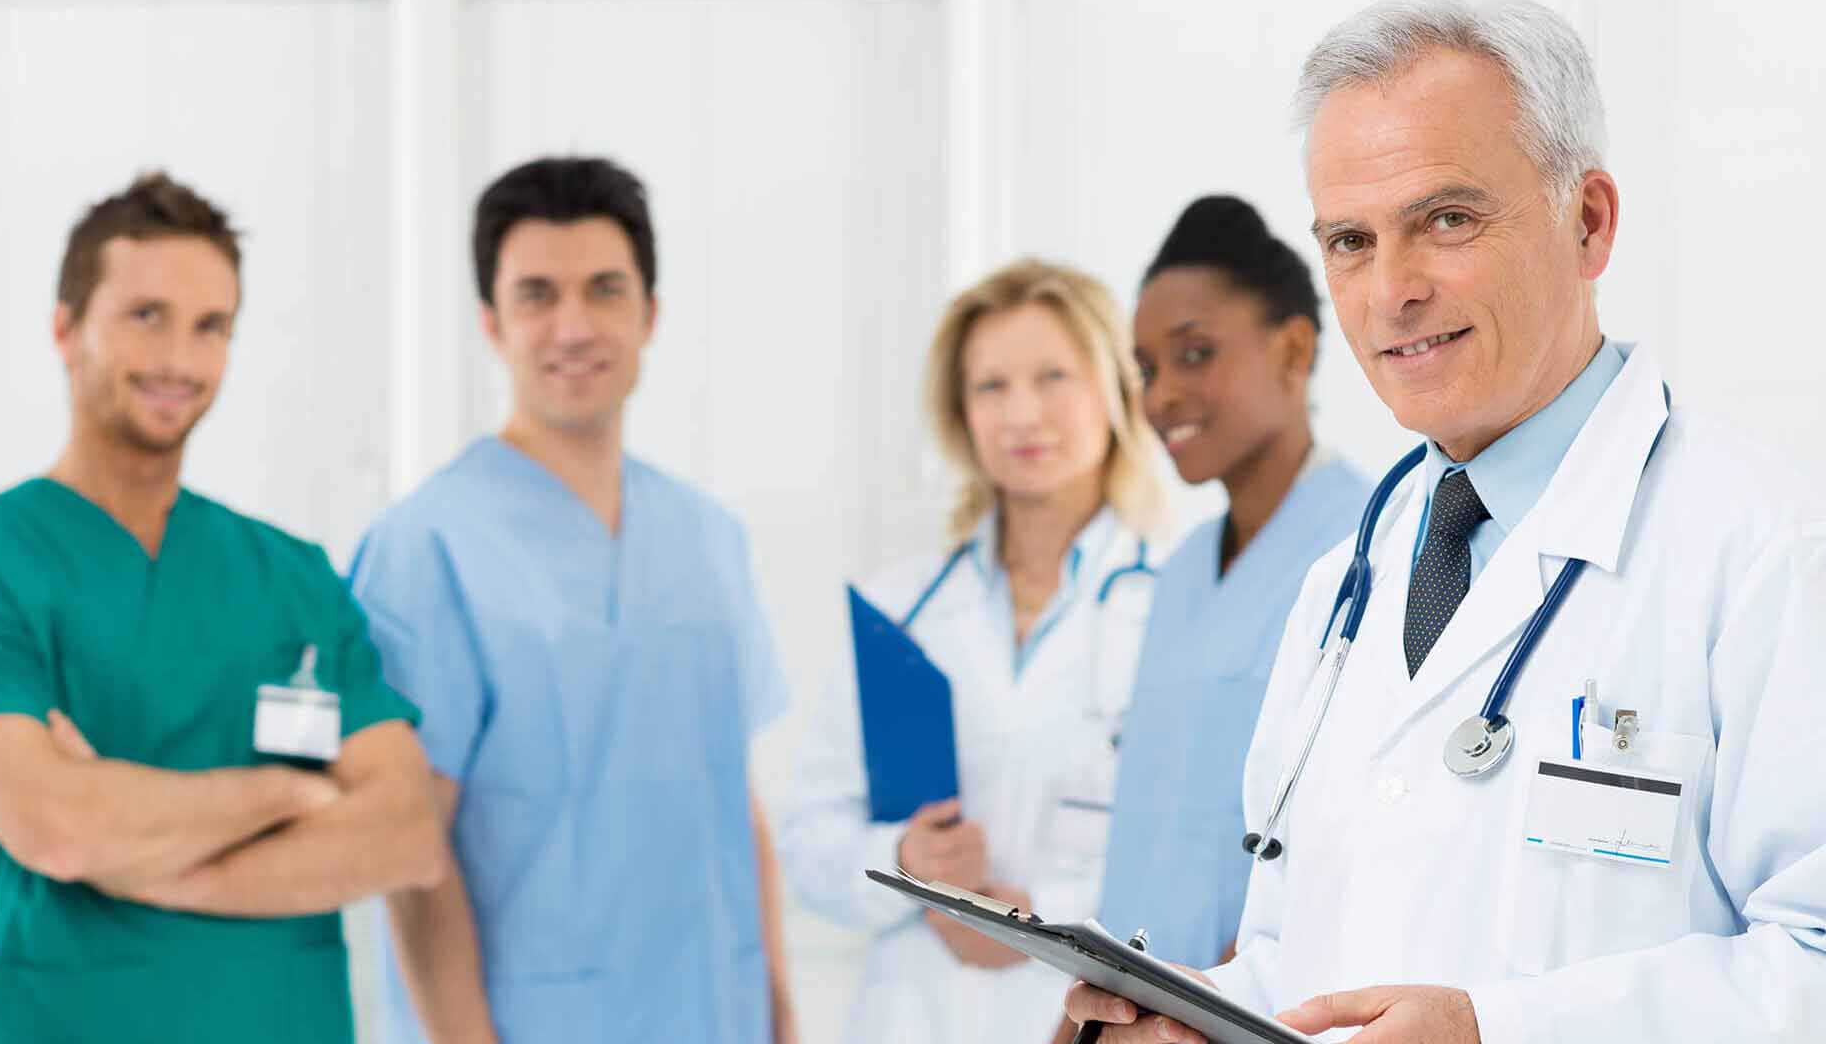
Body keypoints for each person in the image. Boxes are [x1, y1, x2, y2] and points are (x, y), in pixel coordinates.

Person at [1064, 0, 1826, 1043]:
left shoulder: (1764, 553)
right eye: (1349, 241)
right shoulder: (1345, 585)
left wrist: (1501, 1032)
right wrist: (1198, 1018)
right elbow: (1301, 962)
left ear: (1589, 223)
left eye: (1446, 220)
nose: (1392, 290)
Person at [0, 172, 446, 1044]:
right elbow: (57, 828)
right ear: (65, 328)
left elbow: (404, 834)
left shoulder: (291, 576)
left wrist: (140, 861)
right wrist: (291, 793)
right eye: (147, 316)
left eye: (211, 327)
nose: (180, 358)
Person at [350, 156, 797, 1044]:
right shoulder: (427, 544)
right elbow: (412, 855)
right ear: (491, 323)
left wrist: (780, 1014)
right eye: (536, 295)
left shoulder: (707, 537)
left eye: (603, 289)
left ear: (650, 313)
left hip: (715, 1015)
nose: (573, 326)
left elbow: (731, 799)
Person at [780, 258, 1167, 1044]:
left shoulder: (1172, 607)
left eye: (1053, 376)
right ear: (960, 413)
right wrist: (907, 861)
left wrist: (1036, 920)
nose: (1022, 413)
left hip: (1083, 1021)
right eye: (991, 386)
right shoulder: (902, 612)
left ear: (1115, 391)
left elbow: (1211, 861)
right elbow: (807, 844)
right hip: (910, 1014)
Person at [1090, 196, 1372, 973]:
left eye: (1193, 354)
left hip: (1253, 1007)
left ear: (1292, 350)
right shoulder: (1176, 576)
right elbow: (1144, 821)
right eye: (1145, 371)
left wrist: (1236, 990)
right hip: (1131, 1005)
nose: (1160, 397)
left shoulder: (1375, 550)